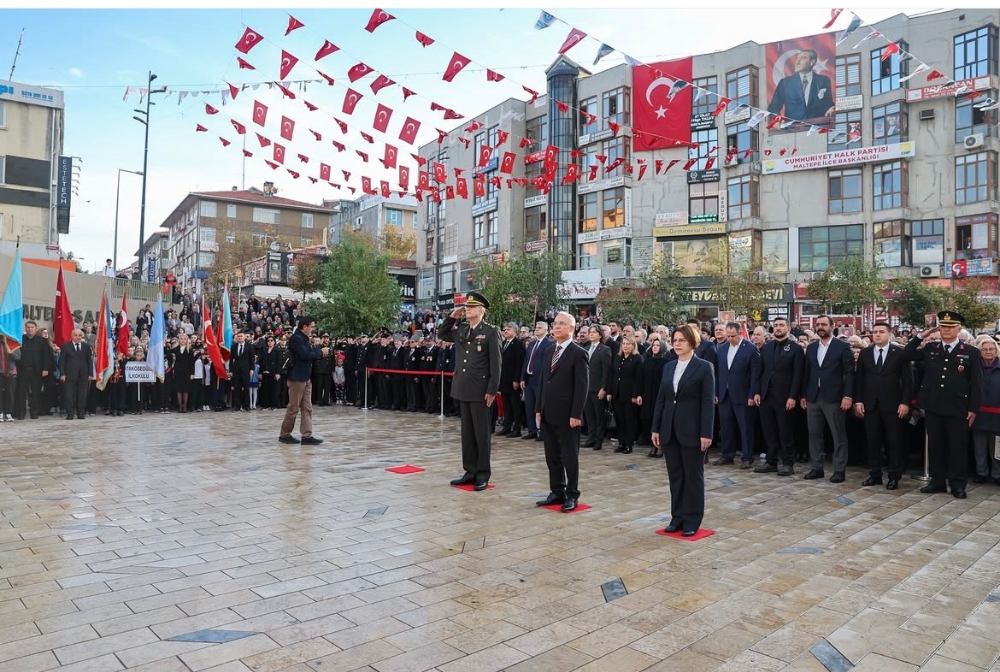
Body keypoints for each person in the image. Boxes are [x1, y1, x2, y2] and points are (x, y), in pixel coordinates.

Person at [903, 311, 982, 499]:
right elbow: (906, 355)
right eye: (943, 327)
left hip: (958, 407)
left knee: (957, 448)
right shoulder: (931, 348)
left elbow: (977, 384)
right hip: (934, 405)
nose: (946, 330)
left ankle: (957, 484)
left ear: (958, 329)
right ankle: (937, 482)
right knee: (936, 447)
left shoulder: (971, 352)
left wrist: (973, 408)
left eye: (950, 327)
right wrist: (922, 335)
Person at [652, 324, 715, 537]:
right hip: (669, 429)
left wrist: (706, 432)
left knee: (693, 477)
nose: (677, 344)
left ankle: (692, 520)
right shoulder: (669, 367)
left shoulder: (704, 367)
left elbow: (707, 403)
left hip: (693, 431)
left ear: (692, 342)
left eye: (682, 340)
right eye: (675, 340)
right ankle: (676, 517)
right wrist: (656, 428)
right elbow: (661, 398)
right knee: (675, 476)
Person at [439, 292, 502, 491]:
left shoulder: (491, 331)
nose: (468, 309)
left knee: (481, 434)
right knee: (467, 433)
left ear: (481, 310)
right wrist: (452, 317)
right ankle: (470, 470)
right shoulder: (462, 329)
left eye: (472, 307)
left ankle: (482, 473)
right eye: (466, 306)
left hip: (481, 389)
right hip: (463, 387)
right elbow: (442, 334)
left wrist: (492, 389)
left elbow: (496, 363)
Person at [534, 312, 589, 512]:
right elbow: (542, 382)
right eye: (555, 324)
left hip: (567, 415)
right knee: (552, 455)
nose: (556, 327)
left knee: (569, 456)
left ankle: (572, 494)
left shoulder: (578, 352)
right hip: (548, 411)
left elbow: (581, 387)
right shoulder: (549, 350)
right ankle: (556, 490)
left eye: (562, 324)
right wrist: (538, 408)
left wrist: (576, 414)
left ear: (571, 328)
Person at [854, 322, 912, 490]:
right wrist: (858, 400)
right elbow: (860, 379)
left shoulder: (899, 353)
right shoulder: (865, 353)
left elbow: (908, 380)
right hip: (871, 404)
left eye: (881, 332)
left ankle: (894, 476)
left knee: (894, 441)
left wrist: (905, 402)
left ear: (889, 334)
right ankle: (875, 474)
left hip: (893, 405)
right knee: (872, 440)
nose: (877, 335)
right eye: (875, 332)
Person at [802, 315, 855, 483]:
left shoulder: (843, 347)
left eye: (824, 324)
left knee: (838, 435)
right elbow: (807, 373)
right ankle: (817, 467)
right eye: (818, 324)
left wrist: (848, 395)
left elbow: (850, 374)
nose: (820, 327)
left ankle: (839, 470)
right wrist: (804, 395)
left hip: (834, 397)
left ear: (832, 326)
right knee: (814, 434)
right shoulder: (811, 348)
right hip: (813, 397)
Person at [754, 317, 804, 476]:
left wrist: (793, 396)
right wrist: (757, 392)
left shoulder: (795, 349)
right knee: (769, 431)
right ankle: (771, 461)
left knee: (785, 431)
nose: (778, 328)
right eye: (775, 325)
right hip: (766, 396)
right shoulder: (766, 348)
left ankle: (788, 463)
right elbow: (760, 372)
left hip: (785, 397)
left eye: (781, 325)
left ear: (788, 328)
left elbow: (798, 375)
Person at [715, 322, 761, 469]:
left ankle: (747, 457)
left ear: (740, 333)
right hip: (724, 394)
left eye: (732, 336)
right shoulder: (721, 349)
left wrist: (752, 394)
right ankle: (727, 454)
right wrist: (716, 392)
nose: (729, 339)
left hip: (743, 394)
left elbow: (755, 374)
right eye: (727, 336)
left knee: (745, 427)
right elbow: (718, 373)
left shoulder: (750, 349)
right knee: (726, 426)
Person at [278, 316, 329, 445]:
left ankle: (306, 436)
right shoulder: (296, 339)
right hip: (297, 378)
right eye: (311, 326)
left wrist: (319, 350)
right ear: (304, 326)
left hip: (306, 377)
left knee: (307, 408)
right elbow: (305, 355)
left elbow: (310, 351)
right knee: (293, 408)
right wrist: (321, 353)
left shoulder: (304, 338)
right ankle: (285, 434)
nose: (313, 329)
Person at [767, 49, 834, 122]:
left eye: (802, 58)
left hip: (818, 126)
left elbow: (829, 104)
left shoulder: (823, 80)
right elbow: (774, 106)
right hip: (792, 129)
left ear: (812, 62)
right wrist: (776, 119)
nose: (797, 62)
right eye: (797, 58)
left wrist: (832, 109)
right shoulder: (785, 83)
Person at [608, 335, 643, 454]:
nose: (625, 346)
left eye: (628, 344)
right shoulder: (618, 358)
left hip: (629, 395)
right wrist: (610, 392)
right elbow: (612, 376)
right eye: (624, 344)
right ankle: (621, 443)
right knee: (620, 420)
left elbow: (639, 379)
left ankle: (629, 444)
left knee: (630, 421)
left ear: (633, 345)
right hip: (617, 394)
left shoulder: (637, 359)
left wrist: (636, 395)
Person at [972, 337, 1000, 485]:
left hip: (997, 415)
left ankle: (997, 474)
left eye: (991, 349)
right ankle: (981, 472)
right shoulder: (975, 368)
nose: (988, 352)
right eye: (985, 349)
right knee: (979, 446)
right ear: (980, 352)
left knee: (997, 447)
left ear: (996, 351)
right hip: (979, 414)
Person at [520, 321, 554, 441]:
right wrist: (523, 377)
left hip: (540, 379)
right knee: (529, 406)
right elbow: (526, 361)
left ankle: (543, 432)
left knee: (541, 406)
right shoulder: (532, 344)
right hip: (529, 379)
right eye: (536, 328)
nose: (537, 329)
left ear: (546, 330)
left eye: (540, 328)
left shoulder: (549, 344)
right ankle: (532, 430)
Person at [582, 324, 612, 450]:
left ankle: (598, 441)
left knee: (599, 416)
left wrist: (603, 388)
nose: (591, 334)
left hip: (597, 388)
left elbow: (606, 371)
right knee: (589, 415)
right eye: (590, 332)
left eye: (594, 332)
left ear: (600, 335)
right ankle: (591, 438)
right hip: (586, 388)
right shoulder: (586, 348)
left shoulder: (605, 350)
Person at [15, 321, 53, 419]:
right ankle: (21, 413)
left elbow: (46, 356)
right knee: (21, 392)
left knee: (36, 392)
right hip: (22, 370)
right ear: (25, 328)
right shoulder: (20, 340)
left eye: (32, 327)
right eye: (28, 327)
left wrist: (45, 368)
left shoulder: (42, 341)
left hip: (37, 371)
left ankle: (34, 412)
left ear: (36, 329)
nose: (30, 329)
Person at [640, 337, 668, 457]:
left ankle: (660, 446)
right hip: (647, 394)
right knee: (649, 419)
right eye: (654, 345)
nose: (655, 347)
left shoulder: (667, 362)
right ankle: (653, 445)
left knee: (659, 420)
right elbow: (642, 378)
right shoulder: (647, 361)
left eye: (658, 345)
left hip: (660, 394)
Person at [498, 322, 526, 438]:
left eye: (508, 329)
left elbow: (520, 363)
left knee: (515, 406)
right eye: (505, 329)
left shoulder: (518, 344)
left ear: (515, 331)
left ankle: (517, 429)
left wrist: (517, 379)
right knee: (506, 406)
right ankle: (506, 427)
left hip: (513, 380)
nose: (505, 331)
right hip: (504, 380)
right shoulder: (504, 343)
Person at [59, 329, 94, 420]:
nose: (77, 337)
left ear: (82, 336)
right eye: (75, 335)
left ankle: (81, 413)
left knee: (82, 395)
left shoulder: (86, 347)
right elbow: (61, 362)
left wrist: (90, 373)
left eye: (79, 335)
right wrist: (62, 374)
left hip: (83, 374)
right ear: (71, 336)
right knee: (69, 395)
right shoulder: (66, 346)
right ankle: (70, 413)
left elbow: (89, 361)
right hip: (69, 374)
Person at [171, 334, 195, 413]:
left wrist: (192, 373)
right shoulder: (175, 349)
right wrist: (172, 357)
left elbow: (192, 362)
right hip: (178, 371)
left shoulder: (189, 350)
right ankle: (180, 405)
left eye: (184, 339)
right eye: (181, 339)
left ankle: (185, 405)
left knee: (185, 390)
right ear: (179, 340)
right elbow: (169, 354)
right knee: (179, 390)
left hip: (187, 372)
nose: (183, 340)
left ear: (187, 340)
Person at [230, 332, 254, 412]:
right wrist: (231, 370)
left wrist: (252, 369)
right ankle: (237, 405)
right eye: (238, 336)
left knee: (246, 388)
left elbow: (252, 358)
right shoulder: (233, 347)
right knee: (237, 388)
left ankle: (246, 405)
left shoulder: (249, 346)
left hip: (246, 369)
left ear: (244, 338)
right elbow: (231, 359)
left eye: (241, 336)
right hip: (236, 369)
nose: (239, 337)